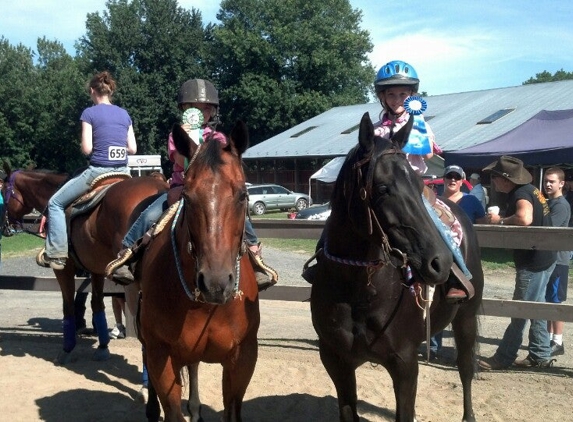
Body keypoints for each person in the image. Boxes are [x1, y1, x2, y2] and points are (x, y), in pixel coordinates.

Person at [105, 78, 277, 290]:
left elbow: (224, 165)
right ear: (184, 109)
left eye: (206, 108)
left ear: (213, 111)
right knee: (150, 214)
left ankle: (255, 258)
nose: (201, 112)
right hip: (181, 188)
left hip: (212, 192)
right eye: (194, 107)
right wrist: (189, 140)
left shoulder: (219, 138)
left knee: (240, 214)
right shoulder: (176, 135)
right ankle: (127, 253)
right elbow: (178, 159)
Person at [372, 60, 473, 303]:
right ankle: (324, 259)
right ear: (383, 97)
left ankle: (456, 276)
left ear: (412, 96)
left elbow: (429, 156)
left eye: (403, 94)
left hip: (413, 186)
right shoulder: (376, 129)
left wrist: (420, 138)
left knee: (444, 223)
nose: (397, 99)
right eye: (392, 94)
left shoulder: (420, 123)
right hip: (383, 188)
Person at [38, 71, 137, 270]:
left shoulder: (89, 113)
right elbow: (133, 149)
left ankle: (56, 254)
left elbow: (87, 149)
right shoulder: (124, 114)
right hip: (124, 173)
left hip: (98, 172)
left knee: (55, 203)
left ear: (93, 91)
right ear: (110, 92)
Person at [478, 156, 557, 370]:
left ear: (506, 179)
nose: (493, 181)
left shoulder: (520, 194)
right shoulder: (531, 190)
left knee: (519, 311)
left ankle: (503, 357)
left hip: (533, 262)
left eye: (495, 177)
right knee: (534, 309)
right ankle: (540, 354)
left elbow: (524, 218)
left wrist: (500, 221)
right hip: (544, 257)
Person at [427, 165, 487, 358]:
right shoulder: (434, 199)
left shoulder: (470, 200)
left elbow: (482, 222)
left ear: (462, 180)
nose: (452, 180)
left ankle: (460, 276)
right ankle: (432, 344)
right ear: (443, 179)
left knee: (449, 235)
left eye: (456, 177)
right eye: (449, 176)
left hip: (460, 247)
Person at [543, 167, 570, 356]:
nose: (548, 184)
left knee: (555, 301)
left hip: (559, 260)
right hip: (549, 258)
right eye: (546, 181)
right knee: (547, 300)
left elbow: (548, 227)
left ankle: (558, 342)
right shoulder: (549, 202)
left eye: (552, 181)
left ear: (561, 183)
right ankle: (548, 339)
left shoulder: (560, 205)